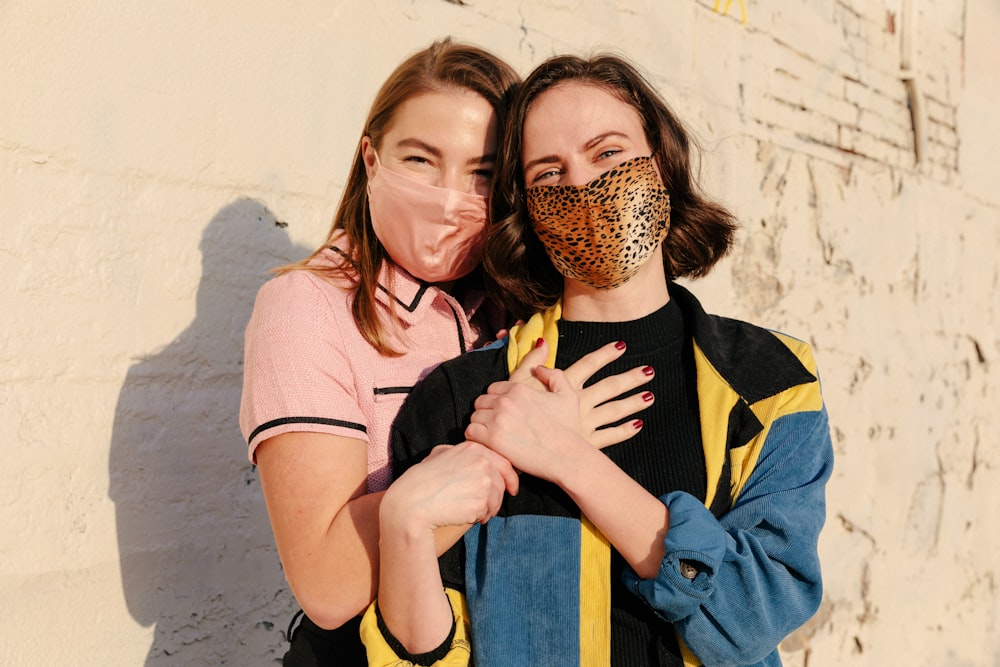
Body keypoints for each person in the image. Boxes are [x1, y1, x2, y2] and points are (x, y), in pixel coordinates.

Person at [363, 53, 834, 667]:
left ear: (661, 163)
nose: (582, 186)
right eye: (548, 173)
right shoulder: (464, 398)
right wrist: (402, 522)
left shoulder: (771, 378)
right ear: (526, 210)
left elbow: (753, 616)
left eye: (608, 153)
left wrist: (568, 458)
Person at [239, 40, 655, 665]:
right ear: (371, 157)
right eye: (420, 159)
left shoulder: (514, 305)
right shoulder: (307, 307)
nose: (449, 197)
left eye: (482, 174)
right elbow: (326, 584)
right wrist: (516, 444)